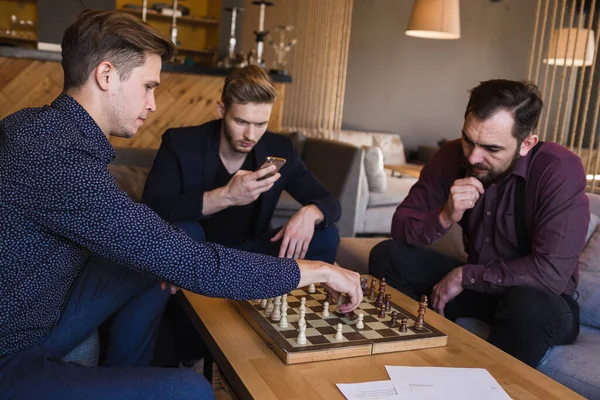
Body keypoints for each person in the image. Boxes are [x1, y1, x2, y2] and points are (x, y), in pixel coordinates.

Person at [0, 10, 361, 400]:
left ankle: (128, 372)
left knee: (173, 238)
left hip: (40, 306)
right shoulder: (59, 159)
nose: (153, 104)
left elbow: (161, 239)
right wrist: (319, 271)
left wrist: (170, 254)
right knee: (192, 390)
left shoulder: (37, 128)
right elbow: (197, 264)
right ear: (106, 76)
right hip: (12, 351)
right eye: (148, 86)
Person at [369, 79, 589, 368]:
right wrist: (444, 216)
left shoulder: (558, 169)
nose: (473, 157)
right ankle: (410, 360)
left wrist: (465, 276)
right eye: (468, 140)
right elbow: (401, 226)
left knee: (531, 305)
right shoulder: (451, 155)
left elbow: (550, 274)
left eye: (492, 149)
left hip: (544, 301)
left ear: (526, 144)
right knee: (388, 255)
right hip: (481, 292)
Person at [142, 65, 340, 263]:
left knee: (327, 234)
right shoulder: (181, 143)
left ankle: (292, 292)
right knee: (185, 231)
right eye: (241, 122)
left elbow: (330, 202)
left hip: (253, 254)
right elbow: (153, 208)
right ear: (221, 110)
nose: (250, 135)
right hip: (197, 252)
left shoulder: (280, 148)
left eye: (261, 124)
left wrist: (311, 212)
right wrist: (226, 196)